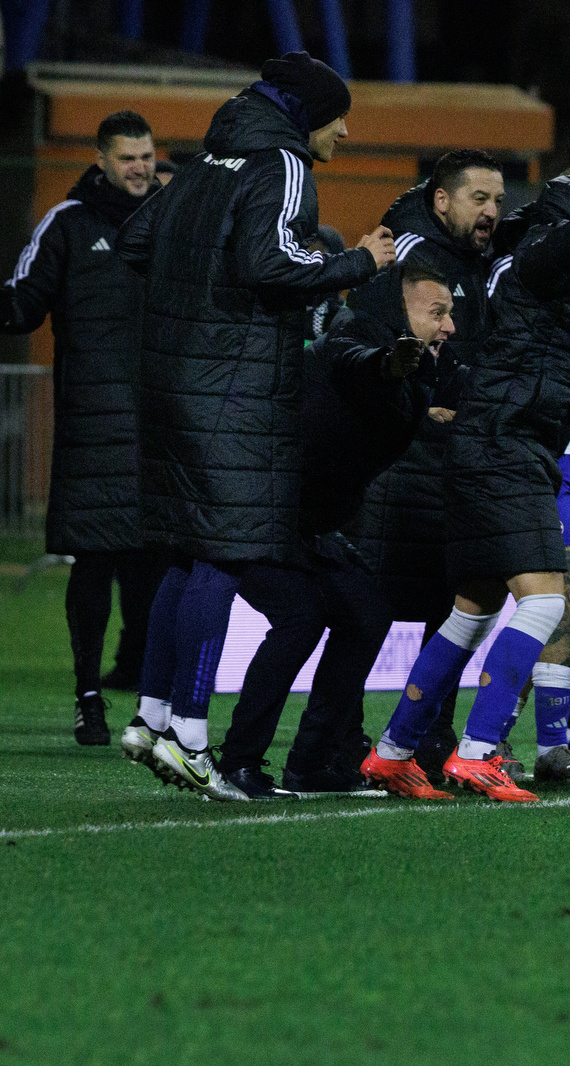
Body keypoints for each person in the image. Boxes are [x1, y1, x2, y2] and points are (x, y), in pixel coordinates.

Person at [116, 52, 395, 799]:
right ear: (309, 114)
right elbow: (275, 263)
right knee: (223, 553)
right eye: (339, 115)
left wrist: (199, 291)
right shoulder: (283, 160)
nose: (345, 130)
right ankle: (191, 736)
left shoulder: (210, 158)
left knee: (183, 550)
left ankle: (150, 716)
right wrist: (359, 262)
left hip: (174, 378)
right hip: (233, 388)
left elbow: (137, 242)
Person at [361, 175, 570, 802]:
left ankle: (392, 752)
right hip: (506, 448)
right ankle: (478, 751)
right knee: (547, 602)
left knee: (473, 608)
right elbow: (548, 261)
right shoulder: (548, 261)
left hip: (498, 446)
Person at [211, 257, 449, 798]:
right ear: (397, 310)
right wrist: (390, 363)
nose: (449, 325)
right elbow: (357, 362)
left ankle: (314, 765)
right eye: (437, 312)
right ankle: (239, 762)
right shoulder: (357, 338)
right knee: (301, 615)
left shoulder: (417, 371)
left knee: (366, 613)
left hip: (303, 523)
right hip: (258, 511)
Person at [1, 110, 167, 745]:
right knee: (93, 571)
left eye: (147, 156)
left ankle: (150, 703)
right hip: (94, 433)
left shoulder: (172, 222)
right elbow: (22, 305)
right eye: (127, 157)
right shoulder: (67, 223)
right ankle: (88, 697)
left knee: (155, 576)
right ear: (101, 160)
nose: (140, 168)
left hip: (160, 429)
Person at [345, 149, 504, 780]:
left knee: (453, 603)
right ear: (443, 200)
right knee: (373, 606)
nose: (492, 211)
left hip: (455, 455)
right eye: (479, 200)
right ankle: (341, 736)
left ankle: (427, 742)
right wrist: (419, 404)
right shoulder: (408, 254)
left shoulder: (477, 261)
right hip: (400, 456)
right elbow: (370, 339)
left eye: (498, 201)